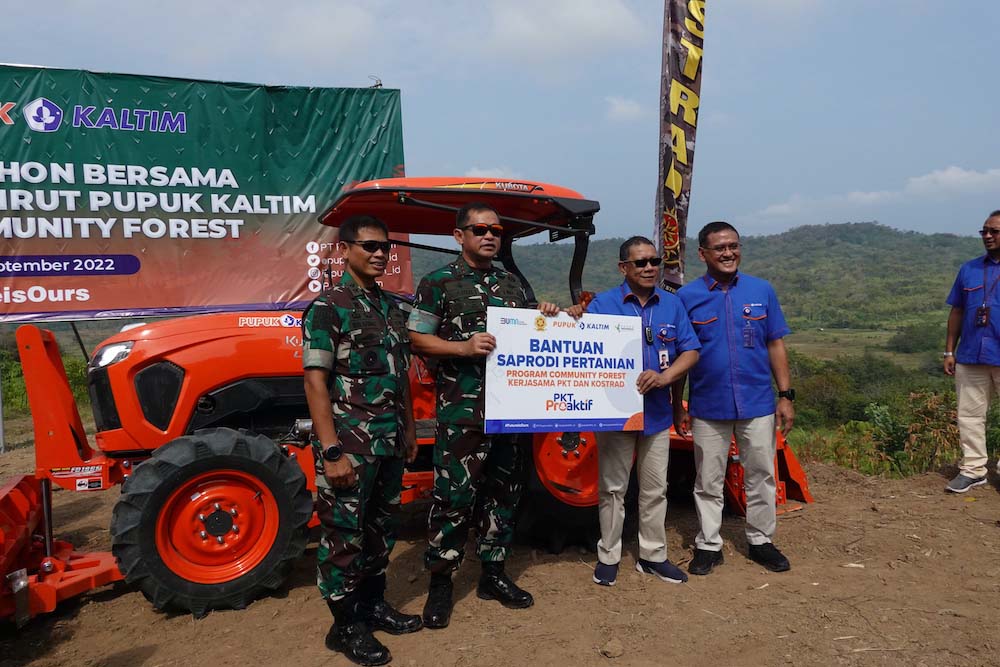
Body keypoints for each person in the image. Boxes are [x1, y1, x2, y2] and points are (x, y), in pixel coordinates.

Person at [407, 202, 558, 629]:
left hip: (511, 412)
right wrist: (461, 348)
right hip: (463, 410)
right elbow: (417, 338)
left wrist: (548, 315)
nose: (490, 236)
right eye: (479, 229)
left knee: (505, 493)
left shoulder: (512, 284)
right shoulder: (438, 283)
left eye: (495, 230)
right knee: (454, 498)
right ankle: (441, 583)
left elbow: (532, 336)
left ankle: (493, 572)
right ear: (459, 236)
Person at [303, 215, 421, 666]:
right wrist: (331, 451)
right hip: (349, 445)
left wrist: (409, 429)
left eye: (384, 247)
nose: (378, 254)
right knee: (343, 537)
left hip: (388, 443)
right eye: (369, 246)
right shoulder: (329, 307)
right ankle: (346, 624)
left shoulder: (391, 308)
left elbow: (401, 377)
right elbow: (316, 382)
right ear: (345, 249)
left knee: (380, 530)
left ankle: (372, 604)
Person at [567, 236, 700, 587]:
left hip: (656, 416)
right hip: (615, 414)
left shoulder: (672, 305)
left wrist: (666, 378)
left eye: (654, 261)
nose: (648, 268)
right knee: (612, 488)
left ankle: (653, 556)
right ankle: (608, 554)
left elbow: (690, 351)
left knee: (656, 489)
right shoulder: (602, 304)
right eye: (640, 262)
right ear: (623, 267)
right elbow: (575, 344)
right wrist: (564, 316)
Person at [674, 221, 794, 575]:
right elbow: (680, 354)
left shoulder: (762, 290)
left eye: (734, 246)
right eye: (720, 248)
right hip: (708, 405)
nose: (728, 253)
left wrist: (785, 395)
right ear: (703, 254)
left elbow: (776, 343)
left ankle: (760, 540)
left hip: (757, 402)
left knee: (761, 473)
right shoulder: (687, 298)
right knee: (708, 478)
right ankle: (709, 545)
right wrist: (675, 404)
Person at [943, 210, 1000, 493]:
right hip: (970, 354)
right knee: (969, 415)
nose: (988, 236)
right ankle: (974, 469)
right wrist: (949, 351)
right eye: (984, 231)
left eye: (995, 231)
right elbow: (957, 310)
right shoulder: (969, 269)